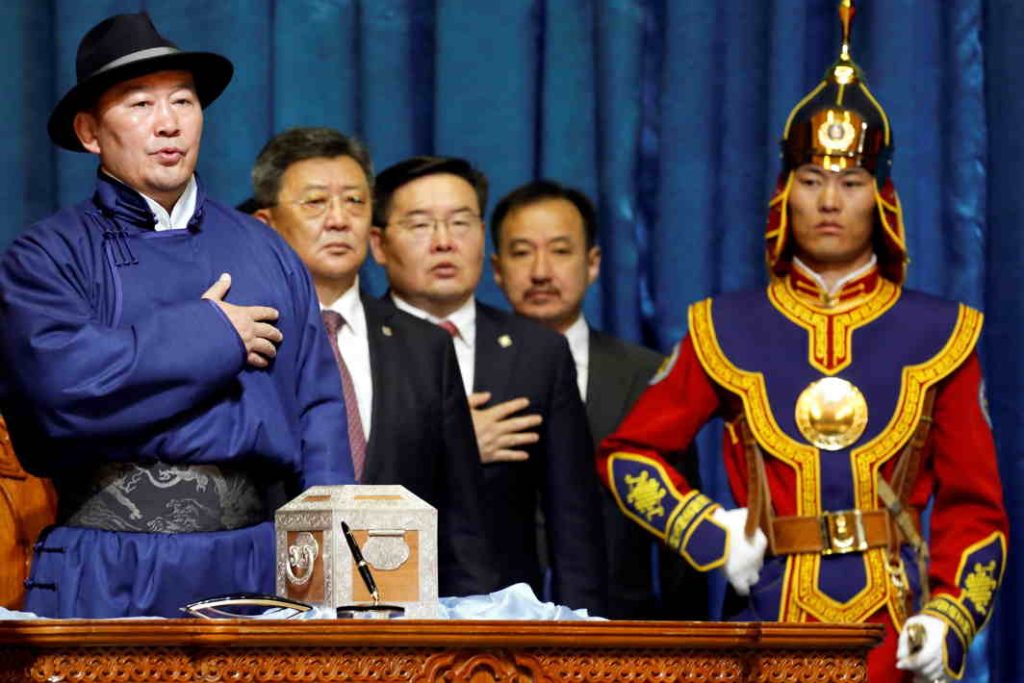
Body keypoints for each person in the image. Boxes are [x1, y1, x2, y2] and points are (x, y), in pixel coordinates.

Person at [597, 4, 1006, 681]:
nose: (828, 201)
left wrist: (951, 617)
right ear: (785, 194)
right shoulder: (723, 326)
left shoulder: (941, 334)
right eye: (811, 181)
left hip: (893, 634)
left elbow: (976, 507)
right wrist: (709, 531)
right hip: (762, 625)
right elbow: (628, 457)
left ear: (882, 199)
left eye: (850, 183)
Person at [0, 13, 353, 618]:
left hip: (256, 563)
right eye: (139, 104)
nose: (168, 124)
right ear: (90, 131)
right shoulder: (46, 256)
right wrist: (214, 333)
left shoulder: (267, 249)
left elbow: (318, 413)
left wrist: (337, 571)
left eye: (183, 102)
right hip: (109, 564)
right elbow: (61, 392)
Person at [250, 127, 500, 597]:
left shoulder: (425, 346)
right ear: (266, 224)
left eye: (355, 202)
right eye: (316, 203)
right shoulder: (250, 342)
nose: (339, 219)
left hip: (405, 617)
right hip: (271, 609)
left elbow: (463, 520)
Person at [369, 156, 607, 614]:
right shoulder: (353, 343)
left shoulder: (536, 353)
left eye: (461, 222)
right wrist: (450, 447)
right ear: (378, 244)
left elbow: (574, 526)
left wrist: (583, 642)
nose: (444, 243)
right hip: (382, 614)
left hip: (506, 623)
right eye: (420, 225)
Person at [490, 179, 706, 620]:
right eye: (521, 252)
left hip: (624, 633)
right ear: (496, 268)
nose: (541, 271)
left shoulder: (646, 375)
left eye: (560, 251)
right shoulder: (462, 370)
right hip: (491, 638)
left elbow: (681, 534)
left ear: (593, 263)